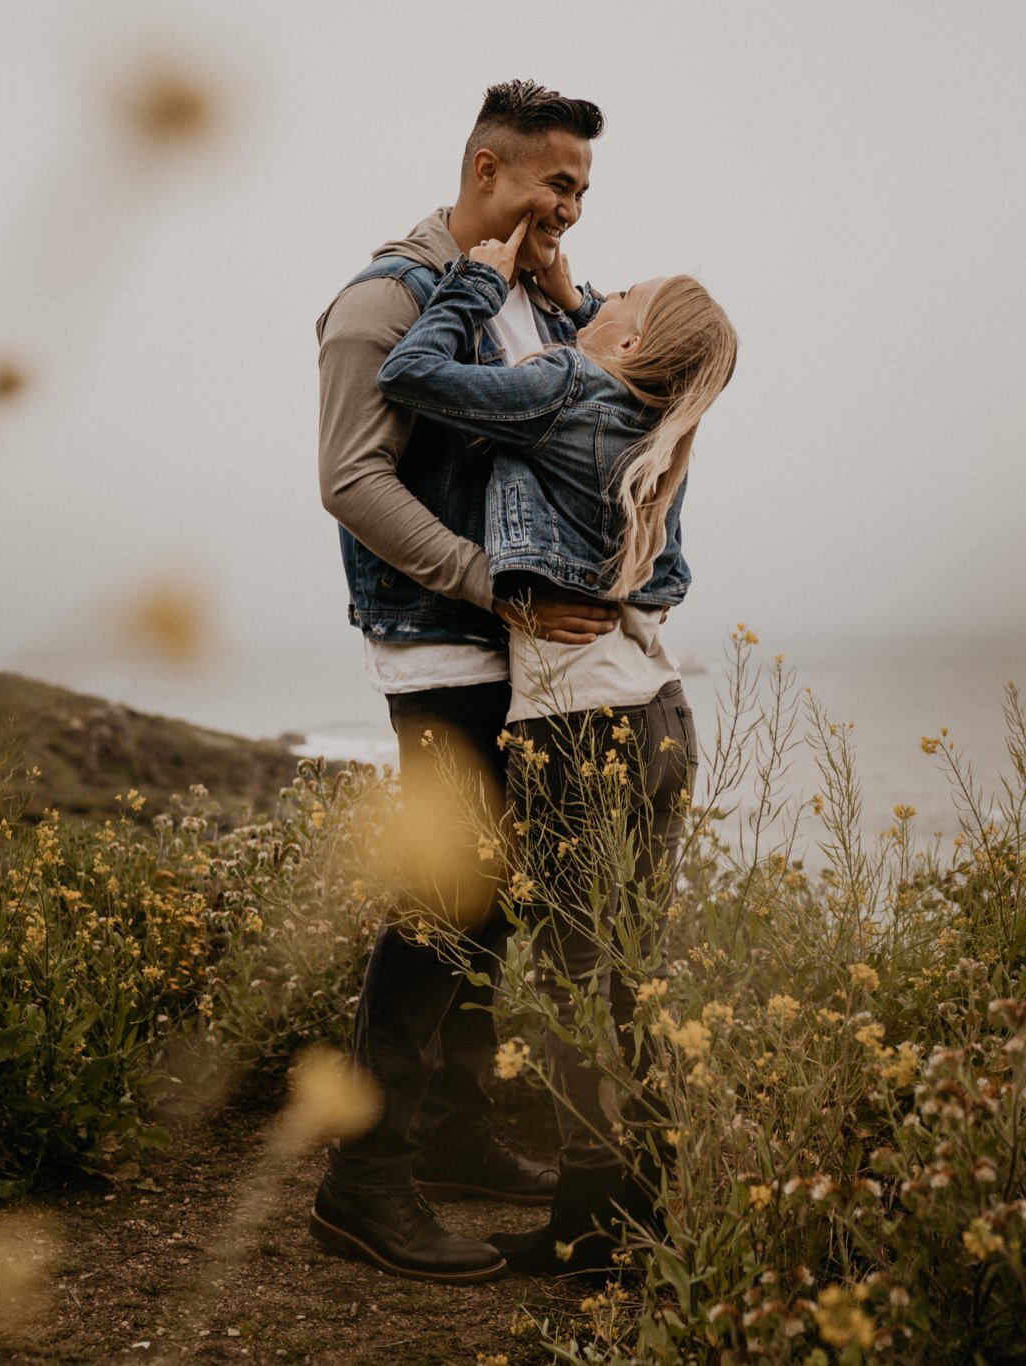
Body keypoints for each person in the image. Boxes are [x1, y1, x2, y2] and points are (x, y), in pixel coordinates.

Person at [377, 217, 739, 1275]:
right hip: (656, 715)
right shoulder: (648, 424)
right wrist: (578, 296)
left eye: (620, 294)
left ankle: (594, 1238)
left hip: (584, 732)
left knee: (583, 983)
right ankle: (639, 1216)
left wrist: (476, 288)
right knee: (626, 976)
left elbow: (410, 375)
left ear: (626, 345)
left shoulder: (561, 392)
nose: (599, 295)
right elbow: (662, 583)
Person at [310, 80, 618, 1285]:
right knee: (445, 902)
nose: (571, 209)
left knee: (496, 896)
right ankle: (359, 1180)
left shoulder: (526, 297)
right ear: (487, 169)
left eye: (583, 190)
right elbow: (349, 478)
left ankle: (451, 1129)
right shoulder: (383, 301)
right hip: (443, 640)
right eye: (556, 184)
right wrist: (492, 582)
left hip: (520, 649)